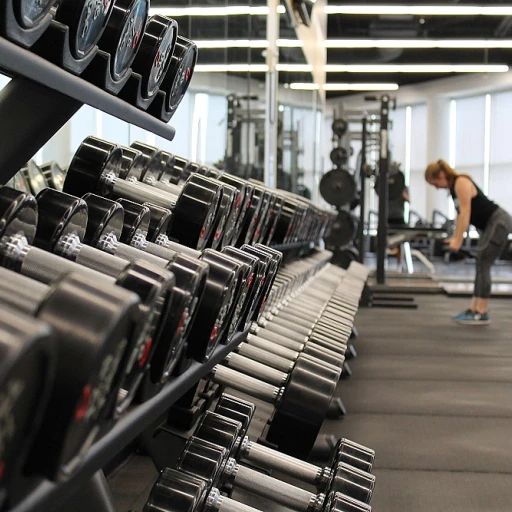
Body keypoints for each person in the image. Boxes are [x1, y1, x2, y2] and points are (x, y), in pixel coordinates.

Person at [425, 159, 512, 325]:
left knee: (483, 262)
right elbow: (460, 216)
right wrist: (456, 237)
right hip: (490, 225)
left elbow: (466, 212)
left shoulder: (461, 182)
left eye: (435, 183)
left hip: (498, 222)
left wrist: (458, 240)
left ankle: (482, 311)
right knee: (481, 262)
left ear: (441, 175)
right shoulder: (453, 189)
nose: (436, 187)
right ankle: (474, 308)